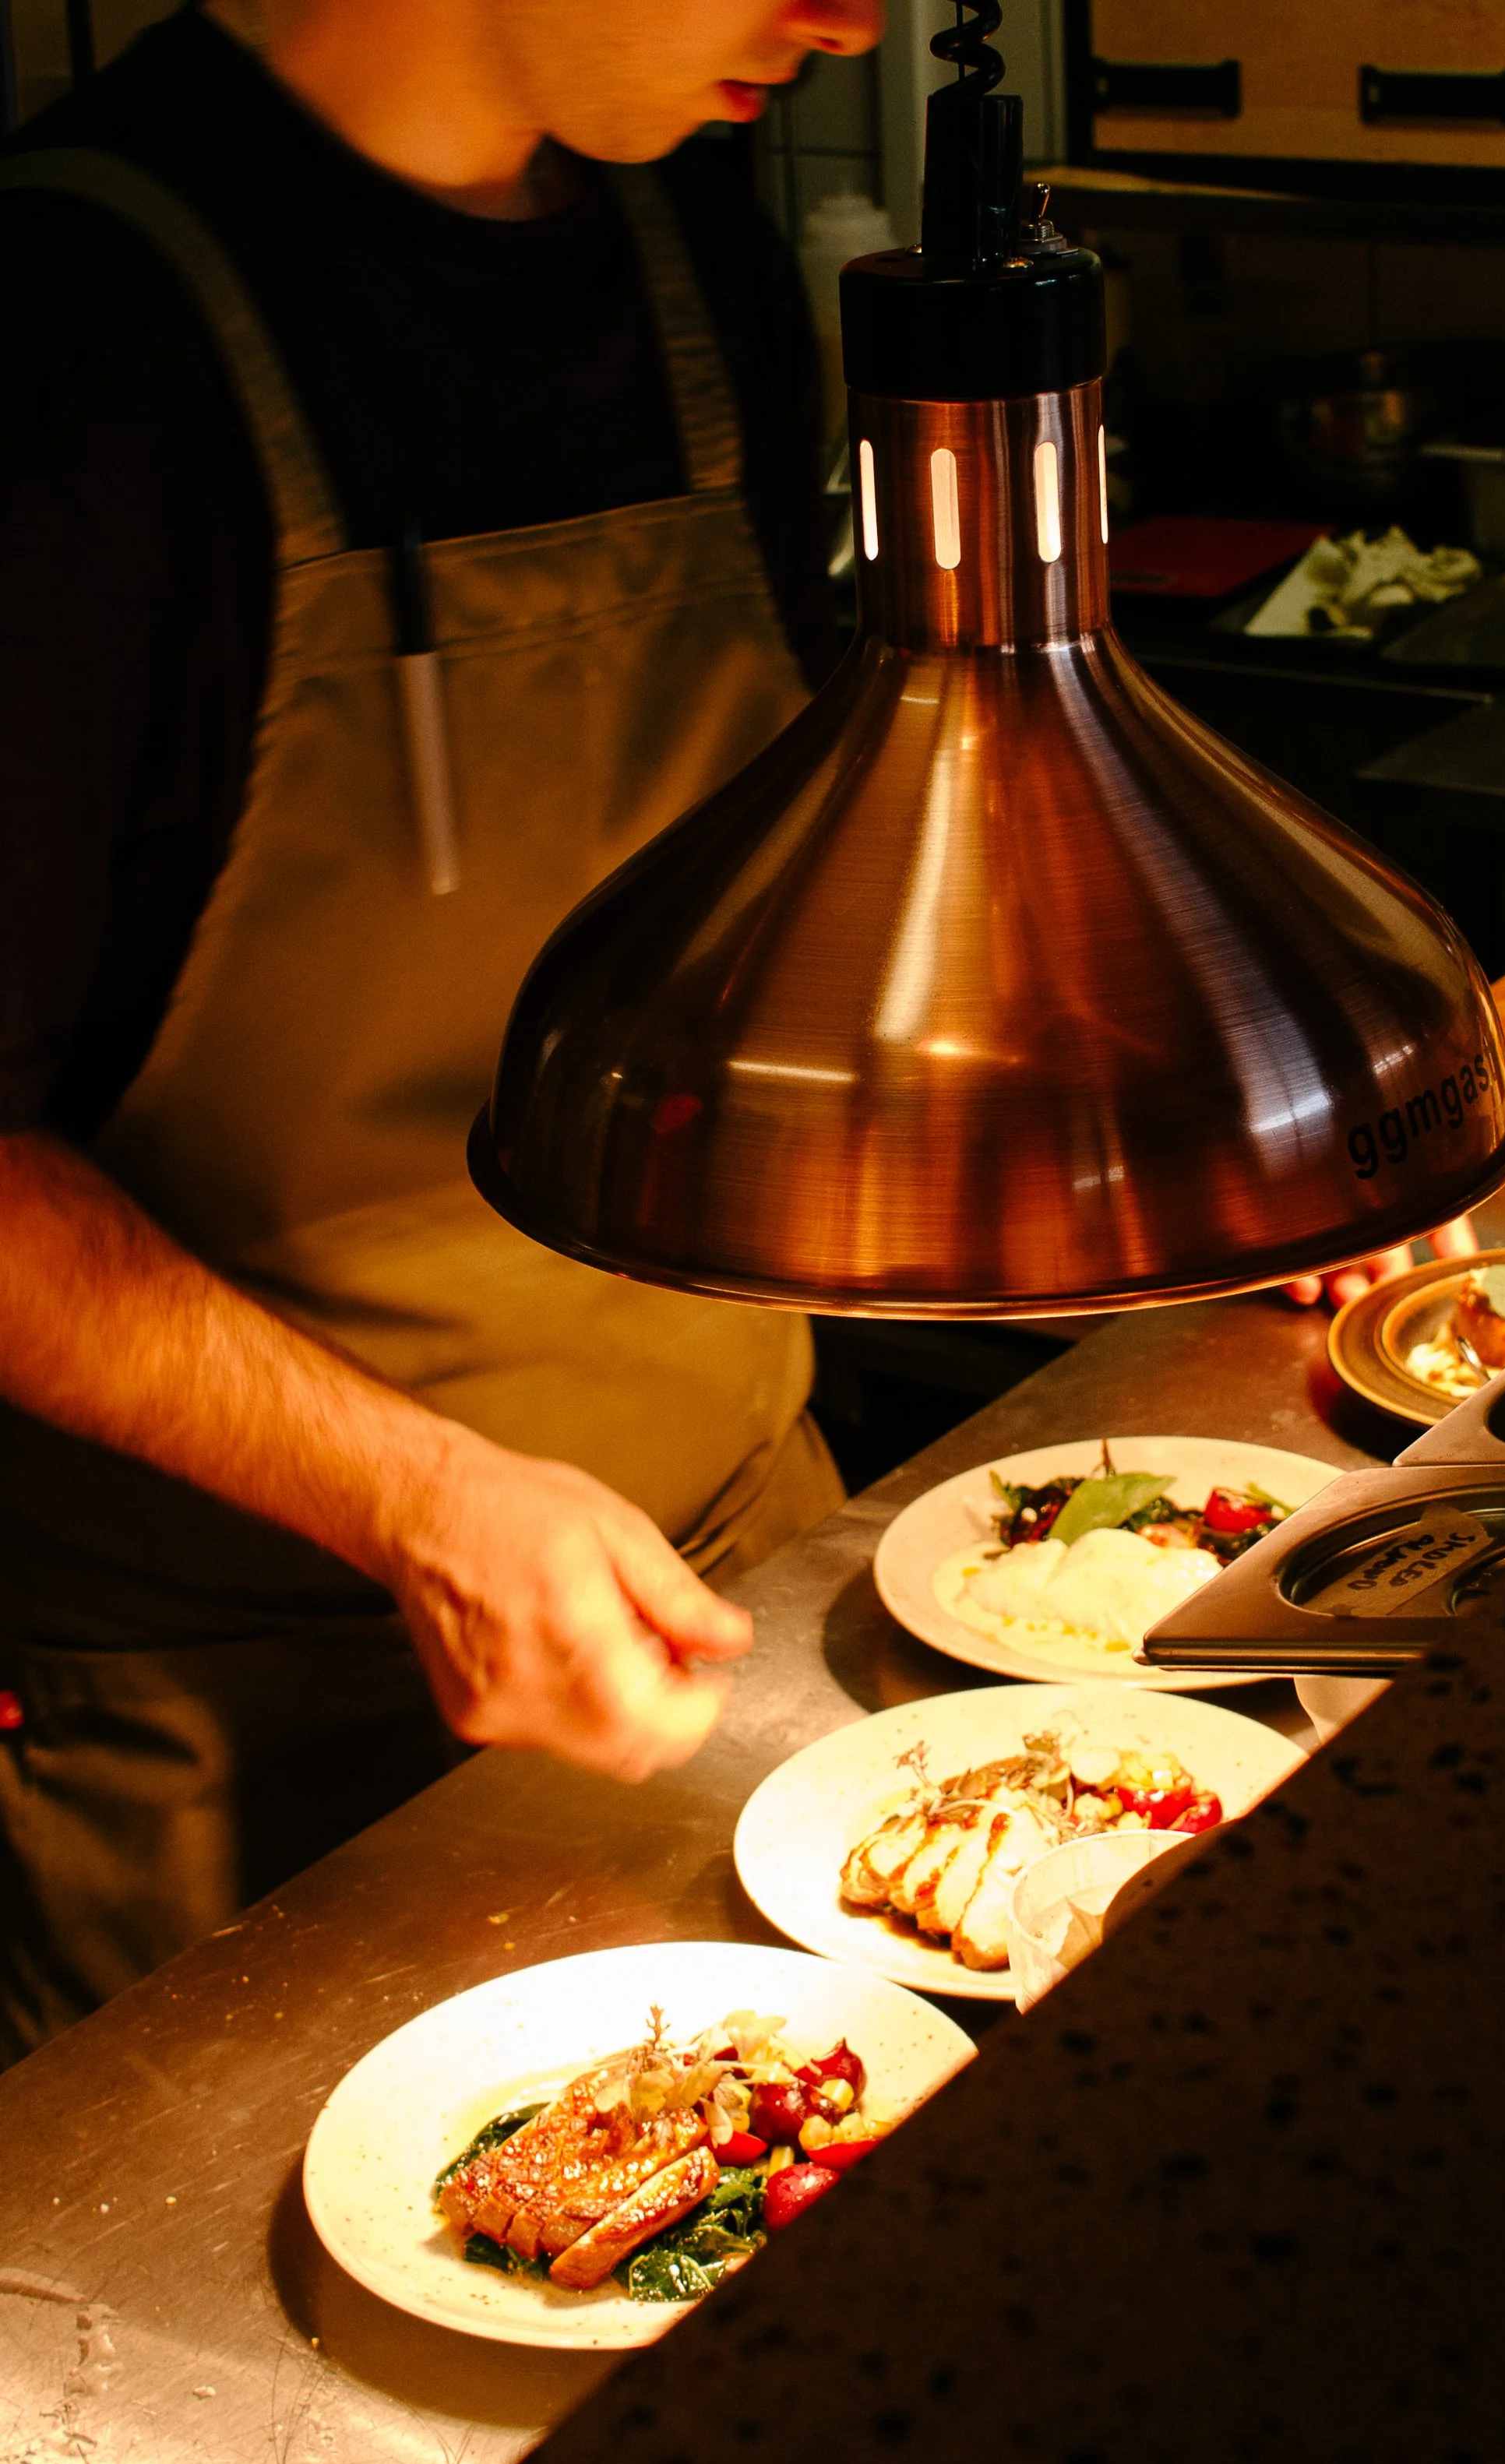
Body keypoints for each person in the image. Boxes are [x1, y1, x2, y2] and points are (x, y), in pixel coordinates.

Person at [0, 0, 878, 2057]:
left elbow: (788, 890)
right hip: (247, 1709)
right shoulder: (65, 348)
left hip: (741, 1572)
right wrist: (420, 1499)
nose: (850, 11)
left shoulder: (702, 267)